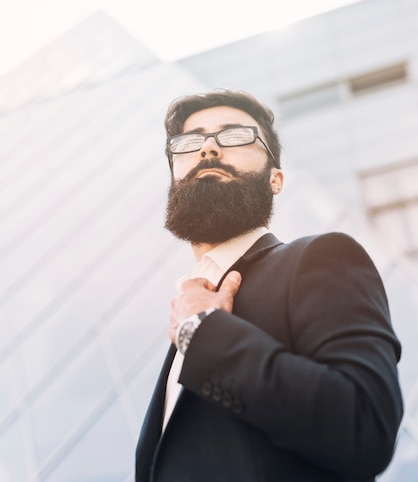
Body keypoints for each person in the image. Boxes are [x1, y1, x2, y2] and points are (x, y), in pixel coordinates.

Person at [135, 89, 403, 482]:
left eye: (235, 136)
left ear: (275, 179)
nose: (208, 148)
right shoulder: (187, 312)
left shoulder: (321, 259)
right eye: (190, 142)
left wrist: (204, 332)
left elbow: (365, 426)